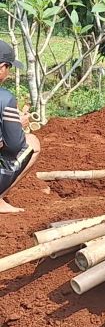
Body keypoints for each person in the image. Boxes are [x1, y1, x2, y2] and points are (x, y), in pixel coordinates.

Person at [0, 41, 41, 214]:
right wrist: (17, 124)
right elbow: (14, 146)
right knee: (32, 143)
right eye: (8, 67)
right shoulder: (5, 99)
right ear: (2, 67)